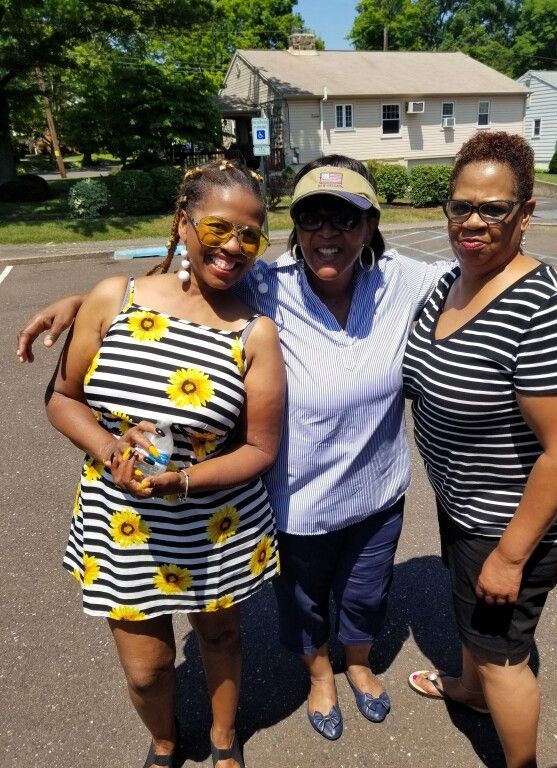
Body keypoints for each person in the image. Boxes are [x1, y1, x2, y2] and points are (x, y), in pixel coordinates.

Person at [18, 155, 450, 742]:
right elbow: (185, 283)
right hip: (295, 499)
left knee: (366, 594)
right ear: (296, 230)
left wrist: (551, 285)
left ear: (371, 226)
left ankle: (358, 663)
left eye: (346, 220)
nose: (329, 232)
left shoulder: (405, 281)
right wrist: (84, 300)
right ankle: (318, 674)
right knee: (300, 607)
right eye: (313, 218)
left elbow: (483, 277)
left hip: (376, 490)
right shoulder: (270, 286)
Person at [43, 159, 286, 768]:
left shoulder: (253, 332)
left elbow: (260, 447)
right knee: (147, 669)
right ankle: (165, 739)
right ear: (183, 223)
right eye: (218, 229)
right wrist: (109, 451)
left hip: (215, 523)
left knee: (221, 635)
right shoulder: (111, 299)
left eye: (250, 234)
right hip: (121, 520)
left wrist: (181, 478)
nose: (234, 246)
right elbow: (63, 397)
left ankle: (225, 737)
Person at [403, 132, 557, 768]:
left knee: (505, 655)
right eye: (461, 206)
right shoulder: (454, 279)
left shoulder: (543, 307)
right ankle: (469, 691)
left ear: (525, 214)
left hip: (513, 523)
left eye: (494, 208)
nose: (473, 220)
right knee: (472, 625)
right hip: (466, 504)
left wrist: (508, 557)